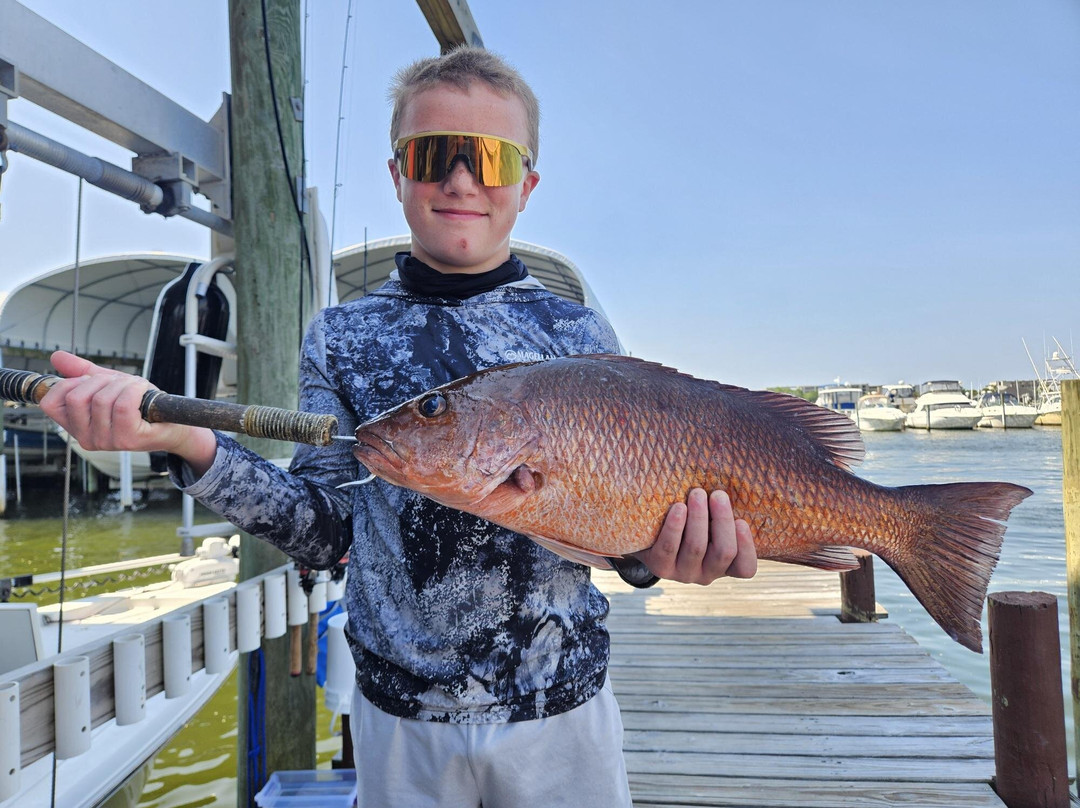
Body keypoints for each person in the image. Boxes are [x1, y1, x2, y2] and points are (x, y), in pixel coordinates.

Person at [40, 46, 757, 808]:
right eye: (432, 155)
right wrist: (186, 442)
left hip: (562, 713)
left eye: (490, 158)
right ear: (396, 174)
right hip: (399, 720)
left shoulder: (578, 333)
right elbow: (322, 527)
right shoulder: (341, 336)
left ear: (526, 185)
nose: (460, 180)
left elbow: (626, 520)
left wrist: (659, 554)